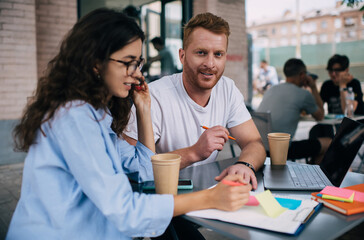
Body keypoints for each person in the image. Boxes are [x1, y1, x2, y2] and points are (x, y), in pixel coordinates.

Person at [6, 9, 252, 240]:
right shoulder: (74, 118)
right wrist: (210, 198)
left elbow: (145, 173)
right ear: (95, 63)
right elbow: (126, 211)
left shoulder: (97, 113)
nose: (136, 73)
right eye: (127, 63)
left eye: (138, 63)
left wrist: (144, 110)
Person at [124, 12, 266, 190]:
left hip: (205, 190)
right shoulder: (155, 96)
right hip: (159, 196)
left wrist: (245, 165)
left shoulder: (227, 89)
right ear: (182, 56)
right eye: (201, 53)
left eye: (218, 54)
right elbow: (130, 169)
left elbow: (255, 143)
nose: (210, 63)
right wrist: (194, 152)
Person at [257, 58, 331, 164]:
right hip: (281, 150)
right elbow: (320, 115)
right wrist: (313, 87)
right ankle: (313, 174)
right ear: (302, 75)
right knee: (329, 143)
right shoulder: (303, 94)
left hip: (259, 148)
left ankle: (310, 168)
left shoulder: (272, 89)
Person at [310, 54, 364, 139]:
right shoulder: (327, 85)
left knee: (340, 134)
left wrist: (342, 85)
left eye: (337, 71)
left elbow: (348, 111)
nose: (333, 74)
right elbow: (318, 107)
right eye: (330, 71)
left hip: (356, 124)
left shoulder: (354, 83)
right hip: (334, 123)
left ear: (346, 70)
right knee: (315, 131)